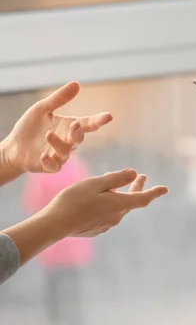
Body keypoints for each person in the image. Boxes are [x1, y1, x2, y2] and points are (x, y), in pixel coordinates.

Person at [0, 81, 168, 285]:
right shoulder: (77, 167)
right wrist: (59, 221)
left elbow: (31, 201)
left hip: (56, 255)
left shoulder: (55, 171)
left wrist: (8, 155)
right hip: (67, 253)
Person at [23, 155, 93, 325]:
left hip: (50, 239)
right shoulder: (77, 167)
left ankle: (54, 319)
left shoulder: (41, 170)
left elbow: (31, 203)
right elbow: (90, 200)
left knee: (52, 283)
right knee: (74, 286)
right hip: (74, 238)